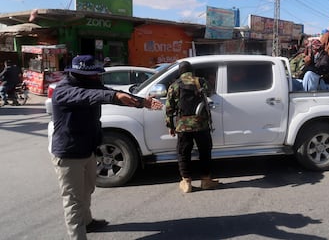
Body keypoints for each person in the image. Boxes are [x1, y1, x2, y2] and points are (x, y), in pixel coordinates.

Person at [50, 54, 163, 240]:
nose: (98, 78)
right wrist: (113, 95)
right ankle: (78, 236)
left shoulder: (90, 84)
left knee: (87, 190)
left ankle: (88, 222)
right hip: (69, 154)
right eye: (94, 74)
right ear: (80, 74)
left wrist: (143, 102)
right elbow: (90, 96)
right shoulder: (64, 90)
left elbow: (113, 94)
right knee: (73, 200)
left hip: (87, 148)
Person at [165, 61, 219, 193]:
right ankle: (206, 180)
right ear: (192, 71)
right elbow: (211, 92)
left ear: (180, 71)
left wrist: (171, 126)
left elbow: (169, 109)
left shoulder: (175, 85)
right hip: (201, 124)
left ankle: (187, 182)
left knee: (183, 153)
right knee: (204, 152)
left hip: (183, 126)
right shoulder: (200, 81)